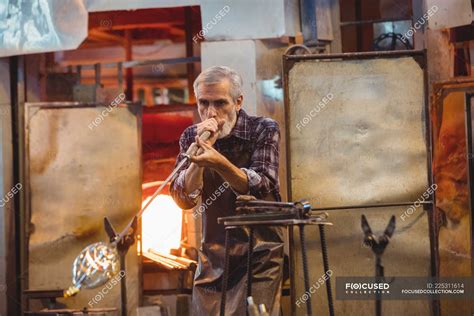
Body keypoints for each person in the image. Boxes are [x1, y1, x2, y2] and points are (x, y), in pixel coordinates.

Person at [170, 66, 284, 315]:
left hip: (259, 252)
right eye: (203, 103)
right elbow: (182, 198)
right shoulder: (191, 135)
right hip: (215, 254)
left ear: (238, 101)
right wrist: (196, 163)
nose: (210, 112)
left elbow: (262, 183)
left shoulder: (263, 129)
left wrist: (219, 163)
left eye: (220, 103)